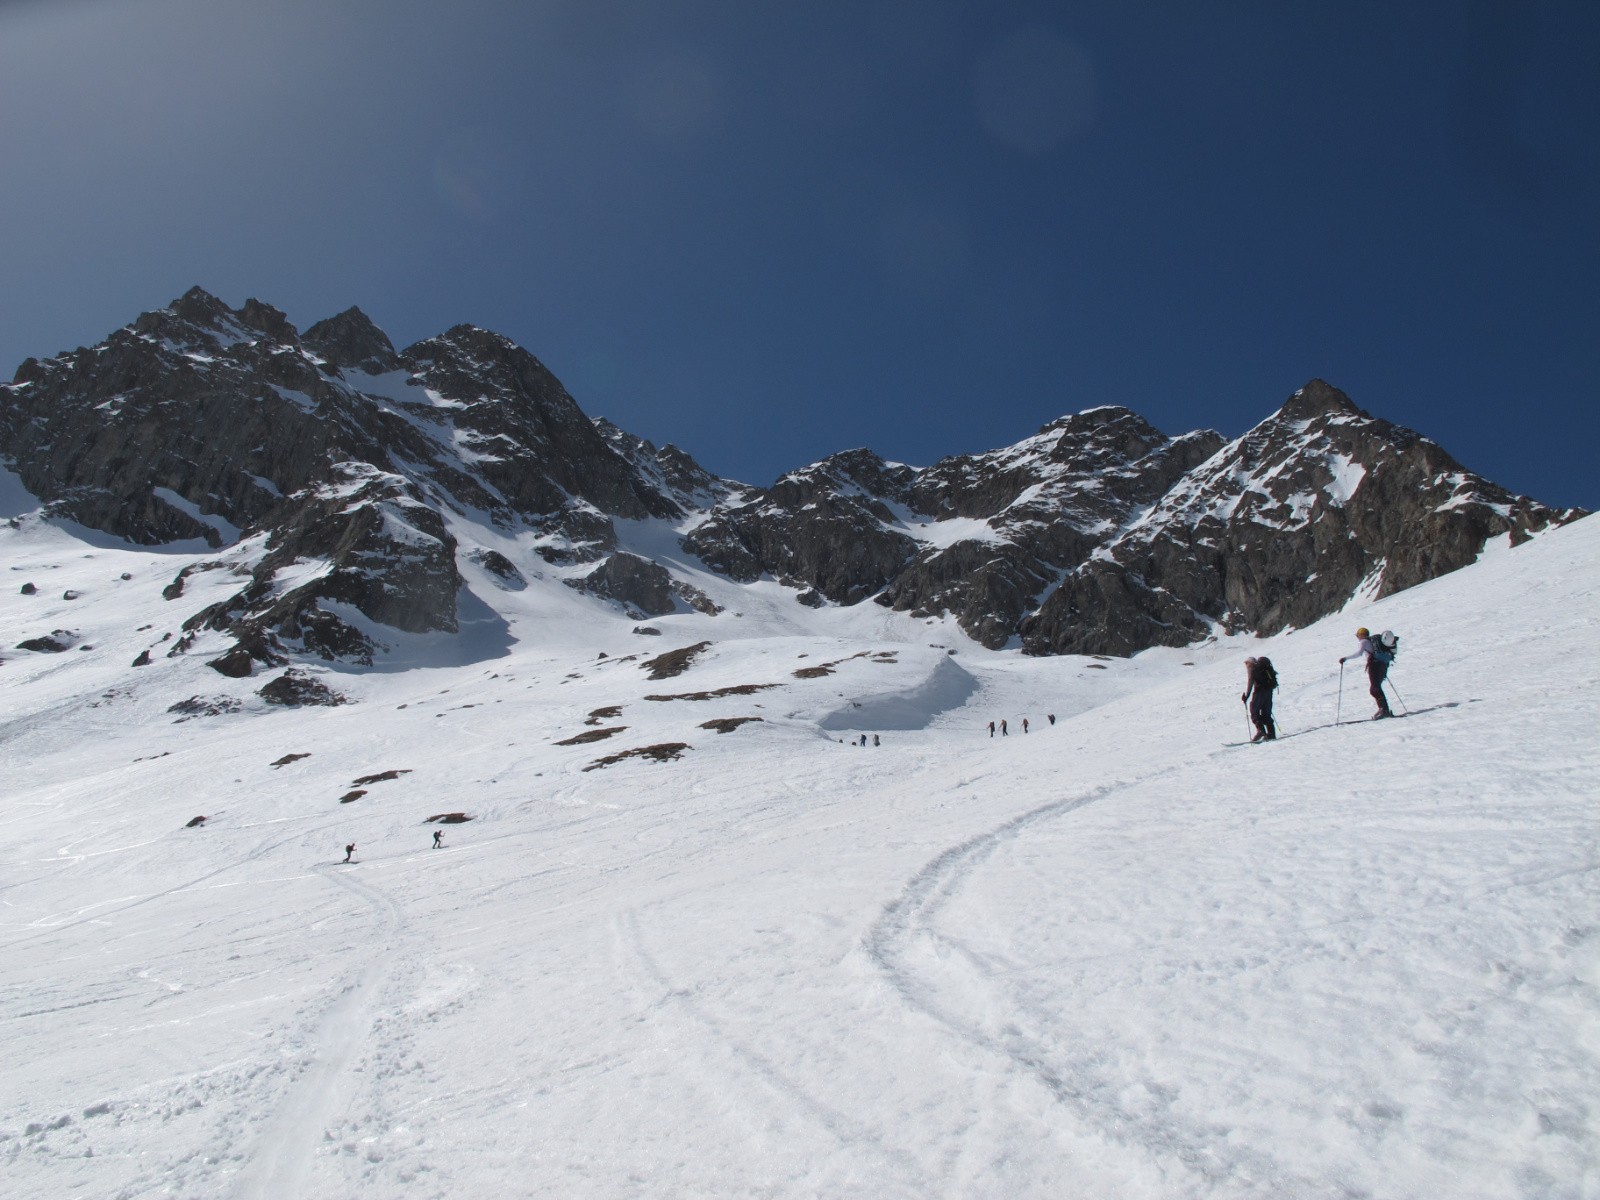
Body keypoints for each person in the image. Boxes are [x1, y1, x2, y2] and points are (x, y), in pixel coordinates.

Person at [1340, 627, 1393, 719]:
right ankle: (1384, 709)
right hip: (1382, 665)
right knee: (1376, 688)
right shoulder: (1371, 641)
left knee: (1374, 689)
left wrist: (1345, 658)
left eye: (1358, 635)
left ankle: (1384, 710)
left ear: (1360, 635)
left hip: (1374, 665)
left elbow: (1359, 653)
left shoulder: (1363, 642)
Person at [1242, 656, 1277, 741]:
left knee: (1254, 711)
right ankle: (1271, 734)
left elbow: (1250, 682)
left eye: (1246, 663)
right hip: (1269, 692)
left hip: (1259, 692)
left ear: (1250, 663)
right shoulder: (1264, 670)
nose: (1246, 665)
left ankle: (1261, 731)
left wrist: (1246, 696)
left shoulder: (1253, 669)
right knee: (1266, 713)